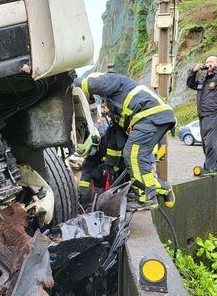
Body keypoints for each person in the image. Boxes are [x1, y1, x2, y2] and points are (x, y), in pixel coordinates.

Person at [75, 72, 176, 211]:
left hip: (150, 114)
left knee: (133, 156)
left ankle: (147, 198)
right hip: (152, 117)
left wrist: (70, 83)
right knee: (134, 163)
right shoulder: (115, 107)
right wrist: (109, 166)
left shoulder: (112, 79)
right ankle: (163, 188)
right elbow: (115, 144)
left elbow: (95, 84)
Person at [186, 56, 217, 176]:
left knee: (209, 140)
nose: (208, 64)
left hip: (214, 112)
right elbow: (191, 84)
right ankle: (215, 166)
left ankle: (210, 166)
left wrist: (215, 69)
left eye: (211, 61)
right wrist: (193, 71)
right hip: (203, 113)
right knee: (205, 141)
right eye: (207, 62)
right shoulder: (203, 78)